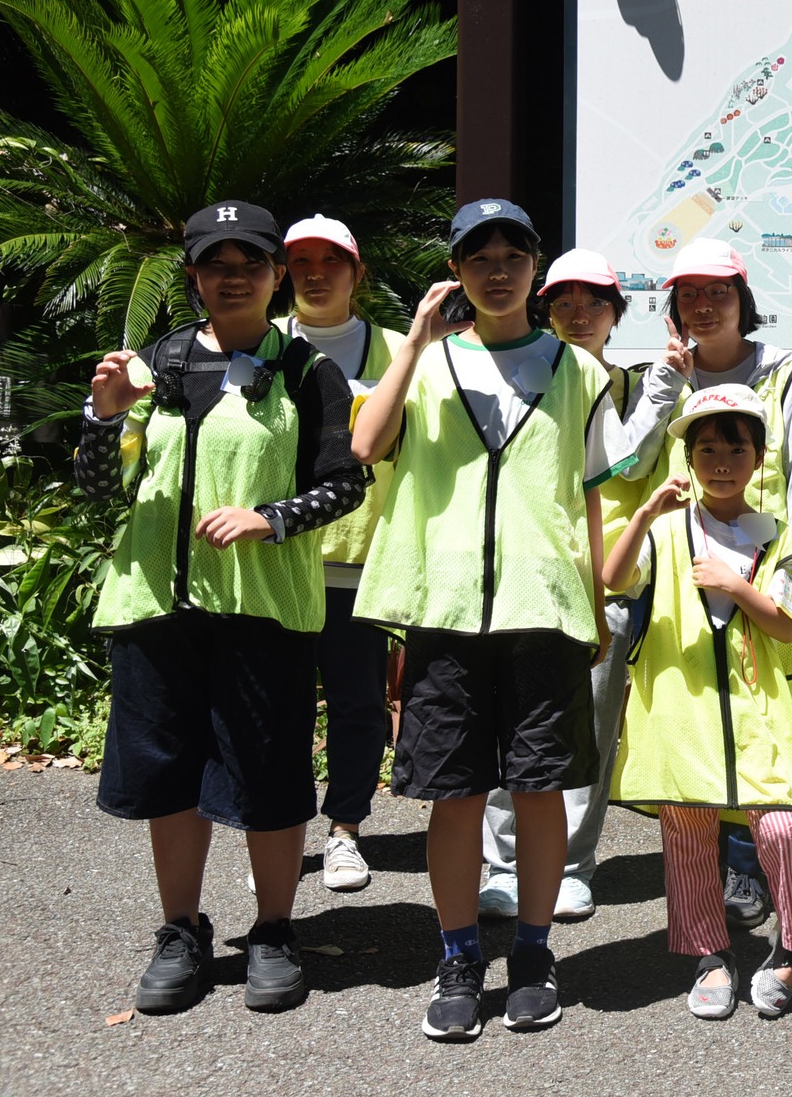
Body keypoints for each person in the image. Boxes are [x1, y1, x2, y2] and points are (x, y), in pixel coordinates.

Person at [353, 199, 631, 1042]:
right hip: (446, 607)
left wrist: (594, 603)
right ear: (456, 268)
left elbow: (587, 497)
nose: (498, 268)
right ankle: (459, 951)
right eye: (480, 254)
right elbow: (366, 444)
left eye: (514, 253)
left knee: (541, 785)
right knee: (456, 793)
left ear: (536, 268)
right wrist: (412, 343)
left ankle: (537, 951)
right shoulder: (427, 362)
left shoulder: (579, 370)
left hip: (542, 606)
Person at [78, 201, 365, 1015]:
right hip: (155, 606)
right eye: (215, 263)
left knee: (269, 771)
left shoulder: (310, 372)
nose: (233, 276)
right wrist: (103, 416)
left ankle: (274, 929)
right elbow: (101, 488)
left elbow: (346, 482)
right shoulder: (151, 368)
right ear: (195, 277)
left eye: (251, 263)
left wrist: (269, 519)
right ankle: (182, 930)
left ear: (277, 275)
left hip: (261, 609)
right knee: (168, 776)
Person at [604, 386, 792, 1020]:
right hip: (680, 711)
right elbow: (615, 579)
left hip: (758, 710)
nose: (722, 461)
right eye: (707, 448)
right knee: (688, 832)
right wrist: (646, 514)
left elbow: (786, 624)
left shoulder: (778, 534)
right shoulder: (669, 528)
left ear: (759, 457)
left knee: (785, 826)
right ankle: (708, 955)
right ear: (688, 457)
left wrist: (735, 583)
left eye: (737, 448)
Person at [623, 236, 792, 927]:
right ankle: (709, 892)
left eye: (719, 293)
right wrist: (662, 382)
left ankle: (755, 876)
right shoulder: (665, 375)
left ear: (745, 300)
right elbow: (627, 465)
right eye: (689, 295)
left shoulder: (785, 370)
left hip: (762, 565)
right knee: (692, 721)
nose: (703, 306)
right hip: (683, 560)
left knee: (756, 723)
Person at [480, 249, 645, 923]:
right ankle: (502, 863)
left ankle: (574, 862)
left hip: (610, 577)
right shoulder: (520, 373)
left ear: (616, 314)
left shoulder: (637, 386)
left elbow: (634, 470)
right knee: (503, 725)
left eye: (596, 302)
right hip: (524, 576)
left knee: (587, 731)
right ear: (545, 308)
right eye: (566, 302)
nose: (581, 315)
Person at [276, 213, 408, 894]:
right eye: (301, 260)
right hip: (278, 563)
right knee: (281, 707)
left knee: (358, 704)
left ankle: (346, 830)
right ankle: (284, 835)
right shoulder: (265, 348)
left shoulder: (397, 350)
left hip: (364, 561)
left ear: (359, 273)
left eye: (333, 260)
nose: (316, 272)